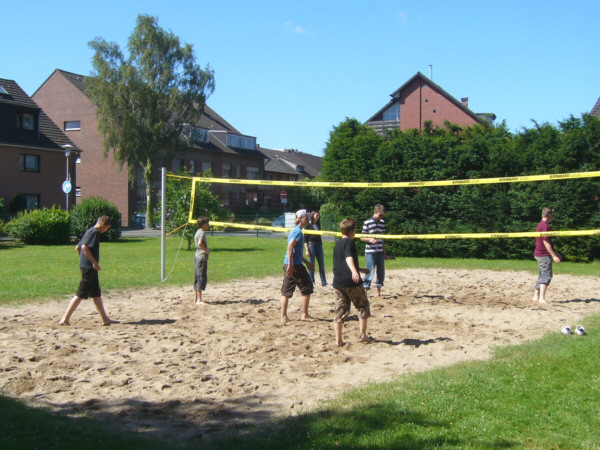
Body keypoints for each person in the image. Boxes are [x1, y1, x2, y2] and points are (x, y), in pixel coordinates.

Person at [59, 216, 114, 326]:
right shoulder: (94, 233)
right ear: (103, 224)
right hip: (89, 268)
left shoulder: (89, 230)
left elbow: (77, 247)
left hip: (87, 267)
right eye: (107, 228)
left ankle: (105, 319)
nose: (106, 230)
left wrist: (84, 261)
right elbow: (84, 247)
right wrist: (93, 262)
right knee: (81, 293)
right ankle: (65, 319)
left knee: (96, 293)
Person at [332, 218, 372, 346]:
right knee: (363, 306)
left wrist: (360, 269)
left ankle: (339, 340)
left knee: (340, 311)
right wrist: (355, 272)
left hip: (338, 282)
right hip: (350, 281)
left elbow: (342, 262)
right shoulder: (349, 242)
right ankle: (363, 336)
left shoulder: (337, 244)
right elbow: (348, 258)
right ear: (351, 231)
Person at [280, 209, 315, 323]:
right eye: (306, 217)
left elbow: (296, 252)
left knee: (286, 291)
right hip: (294, 265)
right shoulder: (298, 232)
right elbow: (290, 247)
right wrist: (291, 266)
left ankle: (284, 317)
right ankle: (304, 315)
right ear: (300, 219)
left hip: (291, 263)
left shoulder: (296, 230)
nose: (308, 219)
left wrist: (306, 262)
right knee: (307, 287)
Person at [533, 207, 561, 304]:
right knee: (546, 276)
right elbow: (545, 242)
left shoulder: (541, 224)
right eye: (552, 215)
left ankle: (536, 296)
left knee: (542, 275)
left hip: (540, 253)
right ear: (549, 215)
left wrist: (555, 252)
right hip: (543, 254)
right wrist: (554, 256)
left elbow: (547, 242)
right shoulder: (544, 226)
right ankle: (542, 298)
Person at [361, 204, 387, 297]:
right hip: (370, 251)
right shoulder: (367, 222)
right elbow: (362, 237)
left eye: (382, 215)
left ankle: (378, 292)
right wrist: (370, 239)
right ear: (376, 212)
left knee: (381, 271)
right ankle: (365, 290)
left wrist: (384, 252)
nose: (381, 217)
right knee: (369, 270)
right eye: (380, 215)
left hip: (379, 251)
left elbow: (382, 238)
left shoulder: (382, 222)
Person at [304, 210, 329, 287]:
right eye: (317, 215)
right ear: (312, 216)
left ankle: (324, 282)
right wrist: (307, 249)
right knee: (312, 264)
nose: (318, 216)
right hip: (311, 245)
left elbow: (319, 237)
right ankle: (312, 281)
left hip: (318, 245)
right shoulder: (308, 224)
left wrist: (321, 246)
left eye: (318, 215)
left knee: (321, 264)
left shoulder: (318, 225)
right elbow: (305, 238)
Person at [194, 216, 210, 305]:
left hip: (197, 256)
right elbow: (200, 243)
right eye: (207, 223)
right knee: (201, 277)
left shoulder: (198, 231)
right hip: (201, 257)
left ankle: (196, 298)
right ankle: (199, 300)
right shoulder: (202, 233)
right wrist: (206, 251)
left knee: (197, 277)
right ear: (203, 225)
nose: (208, 225)